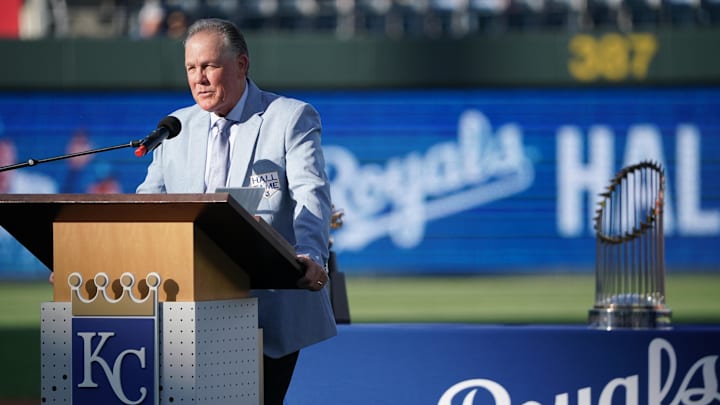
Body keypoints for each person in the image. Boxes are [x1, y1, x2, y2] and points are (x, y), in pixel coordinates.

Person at [136, 18, 336, 404]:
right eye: (191, 69)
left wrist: (312, 253)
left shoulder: (289, 118)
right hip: (187, 308)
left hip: (266, 307)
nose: (200, 79)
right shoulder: (175, 128)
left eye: (209, 66)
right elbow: (147, 206)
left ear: (242, 65)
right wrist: (102, 261)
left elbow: (312, 193)